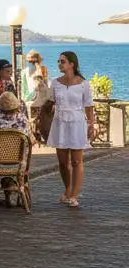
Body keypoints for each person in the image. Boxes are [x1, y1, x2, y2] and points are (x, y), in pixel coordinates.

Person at [47, 51, 97, 207]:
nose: (59, 64)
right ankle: (68, 189)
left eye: (62, 61)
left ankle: (74, 195)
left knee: (76, 160)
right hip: (59, 122)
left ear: (72, 64)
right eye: (58, 61)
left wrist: (91, 125)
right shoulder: (55, 83)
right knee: (63, 162)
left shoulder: (83, 84)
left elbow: (89, 107)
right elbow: (50, 103)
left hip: (77, 123)